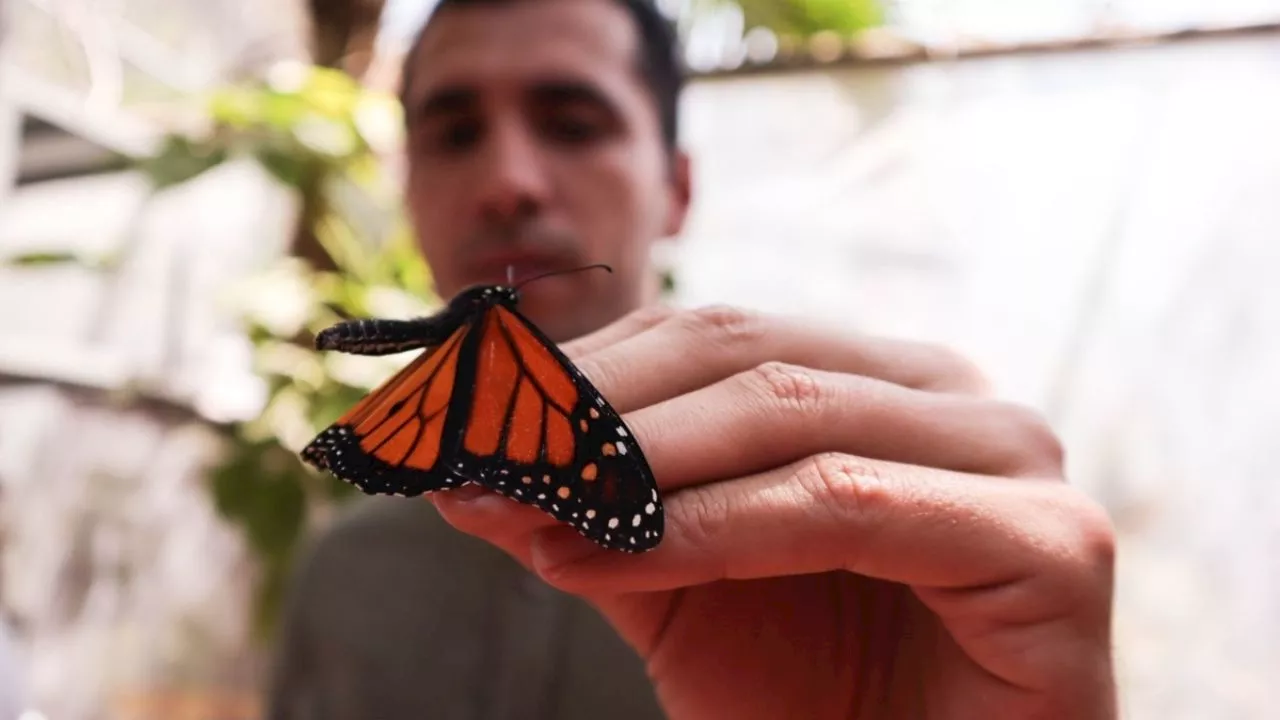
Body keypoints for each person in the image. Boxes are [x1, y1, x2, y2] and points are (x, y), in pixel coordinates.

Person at [267, 0, 1119, 718]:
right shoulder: (343, 574)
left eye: (572, 124)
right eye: (455, 136)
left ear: (676, 188)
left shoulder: (859, 561)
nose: (509, 181)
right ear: (406, 191)